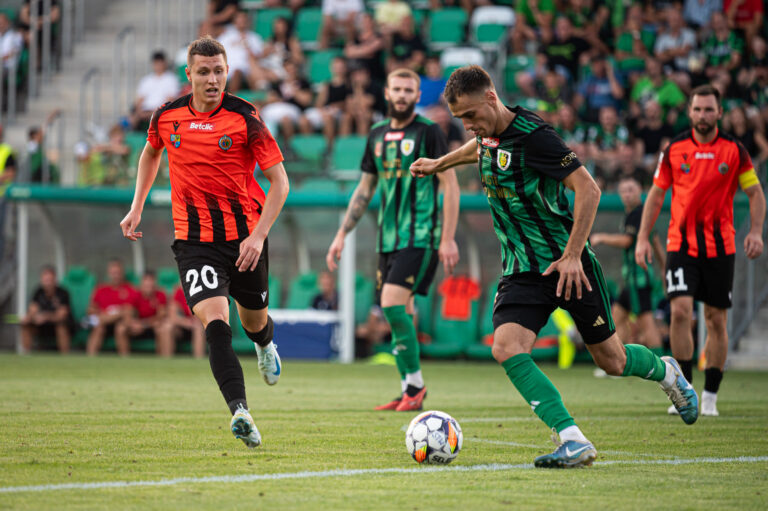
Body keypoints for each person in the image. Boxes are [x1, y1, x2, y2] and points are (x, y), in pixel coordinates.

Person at [410, 65, 698, 469]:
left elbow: (589, 189)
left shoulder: (536, 138)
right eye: (461, 119)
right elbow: (480, 149)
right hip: (521, 270)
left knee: (612, 361)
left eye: (471, 115)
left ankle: (666, 372)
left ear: (492, 98)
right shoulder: (487, 135)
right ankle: (572, 438)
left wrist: (574, 254)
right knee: (506, 347)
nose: (468, 125)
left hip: (568, 265)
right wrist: (439, 163)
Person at [120, 36, 290, 448]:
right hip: (194, 241)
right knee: (216, 323)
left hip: (245, 239)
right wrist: (137, 205)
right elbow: (150, 153)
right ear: (189, 74)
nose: (212, 80)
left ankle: (265, 344)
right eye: (204, 72)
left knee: (252, 322)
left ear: (227, 71)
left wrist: (258, 235)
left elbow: (280, 182)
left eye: (219, 71)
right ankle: (241, 411)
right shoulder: (167, 115)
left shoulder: (246, 116)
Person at [326, 68, 460, 412]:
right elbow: (365, 188)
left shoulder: (429, 132)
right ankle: (409, 390)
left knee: (390, 305)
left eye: (408, 90)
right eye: (396, 89)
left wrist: (447, 238)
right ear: (386, 93)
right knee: (403, 312)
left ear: (418, 96)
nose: (401, 95)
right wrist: (342, 233)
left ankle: (415, 386)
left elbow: (450, 185)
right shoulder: (376, 134)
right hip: (387, 240)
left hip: (421, 235)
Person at [636, 84, 766, 418]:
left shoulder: (735, 151)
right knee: (680, 312)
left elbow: (755, 193)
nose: (703, 115)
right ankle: (685, 389)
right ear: (689, 112)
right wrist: (641, 238)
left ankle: (710, 396)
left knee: (716, 320)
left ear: (719, 113)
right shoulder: (675, 149)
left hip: (720, 247)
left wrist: (754, 231)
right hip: (680, 245)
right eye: (697, 109)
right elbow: (655, 195)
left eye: (709, 109)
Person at [590, 176, 664, 349]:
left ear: (640, 191)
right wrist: (663, 268)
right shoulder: (637, 214)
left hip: (639, 278)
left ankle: (665, 365)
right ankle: (618, 359)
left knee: (646, 323)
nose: (626, 194)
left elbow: (627, 241)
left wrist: (601, 237)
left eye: (630, 190)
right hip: (632, 280)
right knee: (617, 318)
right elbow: (656, 243)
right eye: (623, 191)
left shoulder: (639, 214)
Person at [85, 259, 140, 355]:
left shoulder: (130, 289)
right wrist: (118, 312)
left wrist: (116, 314)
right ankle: (90, 358)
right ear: (109, 273)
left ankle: (125, 360)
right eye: (113, 273)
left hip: (121, 322)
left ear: (122, 273)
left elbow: (131, 312)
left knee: (121, 328)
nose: (116, 275)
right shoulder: (100, 289)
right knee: (98, 327)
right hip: (103, 322)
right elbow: (90, 309)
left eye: (118, 273)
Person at [20, 265, 74, 354]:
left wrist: (45, 317)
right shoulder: (38, 292)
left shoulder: (63, 293)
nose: (48, 283)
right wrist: (29, 318)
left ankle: (65, 356)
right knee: (26, 325)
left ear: (55, 280)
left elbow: (61, 315)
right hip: (42, 327)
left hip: (61, 326)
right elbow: (32, 309)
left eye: (50, 280)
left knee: (61, 327)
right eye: (45, 280)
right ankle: (26, 355)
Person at [113, 271, 168, 356]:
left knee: (160, 327)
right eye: (146, 282)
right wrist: (132, 323)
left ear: (155, 283)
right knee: (120, 328)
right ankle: (124, 358)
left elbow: (161, 315)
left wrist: (144, 324)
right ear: (141, 283)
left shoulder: (160, 294)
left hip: (151, 326)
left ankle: (161, 358)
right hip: (137, 326)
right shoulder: (135, 294)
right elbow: (127, 312)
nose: (149, 285)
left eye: (151, 282)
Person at [130, 51, 181, 131]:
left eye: (160, 63)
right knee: (131, 119)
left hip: (160, 110)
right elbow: (140, 100)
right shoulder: (146, 80)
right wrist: (139, 112)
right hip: (145, 111)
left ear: (164, 63)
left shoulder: (171, 79)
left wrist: (155, 112)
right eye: (156, 63)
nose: (158, 66)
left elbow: (170, 100)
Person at [158, 285, 206, 358]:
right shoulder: (178, 292)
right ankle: (166, 359)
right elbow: (172, 316)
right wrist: (185, 322)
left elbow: (199, 317)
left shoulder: (200, 291)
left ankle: (198, 359)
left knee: (198, 328)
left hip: (195, 325)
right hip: (181, 327)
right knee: (167, 327)